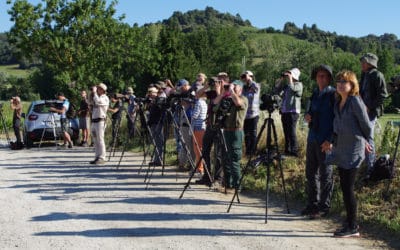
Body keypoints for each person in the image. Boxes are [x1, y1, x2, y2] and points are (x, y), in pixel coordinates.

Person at [325, 70, 372, 238]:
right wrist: (330, 141)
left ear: (352, 85)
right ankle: (349, 222)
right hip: (341, 149)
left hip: (354, 150)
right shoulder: (338, 101)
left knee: (348, 188)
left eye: (344, 81)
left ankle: (352, 226)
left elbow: (366, 125)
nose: (340, 84)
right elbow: (336, 127)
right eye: (339, 81)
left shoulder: (355, 101)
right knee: (344, 187)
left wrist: (368, 142)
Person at [302, 65, 336, 218]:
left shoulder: (334, 95)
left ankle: (324, 207)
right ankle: (312, 205)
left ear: (329, 78)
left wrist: (331, 139)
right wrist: (307, 116)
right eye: (318, 76)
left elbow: (337, 120)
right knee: (310, 173)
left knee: (326, 174)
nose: (320, 78)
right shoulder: (315, 93)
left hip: (325, 140)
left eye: (324, 76)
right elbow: (309, 112)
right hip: (313, 137)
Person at [213, 79, 248, 193]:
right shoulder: (228, 99)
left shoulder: (243, 99)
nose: (232, 88)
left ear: (241, 89)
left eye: (235, 86)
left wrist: (232, 92)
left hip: (236, 132)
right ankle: (229, 184)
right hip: (226, 131)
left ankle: (237, 186)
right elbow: (214, 106)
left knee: (234, 159)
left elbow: (238, 103)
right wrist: (223, 93)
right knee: (225, 159)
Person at [359, 53, 388, 178]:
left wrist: (369, 106)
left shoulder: (377, 75)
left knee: (368, 137)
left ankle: (370, 169)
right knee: (362, 137)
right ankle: (364, 165)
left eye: (364, 62)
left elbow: (383, 95)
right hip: (362, 110)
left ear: (370, 63)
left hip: (370, 112)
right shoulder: (364, 75)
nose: (362, 64)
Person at [195, 72, 227, 186]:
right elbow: (197, 95)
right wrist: (206, 86)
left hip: (220, 125)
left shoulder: (228, 93)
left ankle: (218, 179)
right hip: (210, 124)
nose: (218, 82)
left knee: (218, 153)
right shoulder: (212, 92)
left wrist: (219, 90)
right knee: (205, 150)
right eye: (217, 79)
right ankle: (207, 176)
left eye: (221, 80)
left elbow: (219, 103)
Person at [275, 68, 303, 156]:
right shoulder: (287, 86)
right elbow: (277, 91)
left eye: (290, 74)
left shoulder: (299, 85)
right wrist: (281, 80)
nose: (288, 75)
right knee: (286, 131)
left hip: (293, 111)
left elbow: (294, 89)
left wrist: (290, 79)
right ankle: (287, 150)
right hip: (285, 111)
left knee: (292, 131)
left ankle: (294, 151)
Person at [241, 70, 260, 156]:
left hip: (253, 114)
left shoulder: (256, 85)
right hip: (245, 115)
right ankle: (248, 152)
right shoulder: (244, 87)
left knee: (253, 133)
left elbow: (255, 88)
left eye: (246, 76)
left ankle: (254, 151)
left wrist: (249, 78)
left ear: (251, 76)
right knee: (246, 134)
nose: (245, 78)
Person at [89, 83, 109, 164]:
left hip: (101, 120)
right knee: (95, 139)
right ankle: (97, 156)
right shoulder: (96, 97)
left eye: (98, 88)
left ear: (103, 90)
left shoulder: (105, 98)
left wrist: (94, 93)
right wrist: (91, 94)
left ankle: (102, 157)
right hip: (94, 120)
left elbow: (98, 102)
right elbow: (90, 102)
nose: (97, 90)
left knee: (100, 139)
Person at [191, 86, 207, 174]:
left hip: (197, 127)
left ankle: (200, 168)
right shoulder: (204, 103)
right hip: (203, 126)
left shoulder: (198, 103)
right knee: (200, 148)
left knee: (197, 149)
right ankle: (200, 167)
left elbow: (195, 115)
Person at [147, 86, 164, 166]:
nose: (150, 94)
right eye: (149, 93)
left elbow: (160, 111)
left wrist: (155, 103)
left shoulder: (159, 100)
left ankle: (159, 160)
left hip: (158, 122)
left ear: (156, 93)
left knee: (159, 142)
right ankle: (156, 159)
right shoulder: (153, 101)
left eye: (151, 92)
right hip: (153, 122)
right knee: (155, 142)